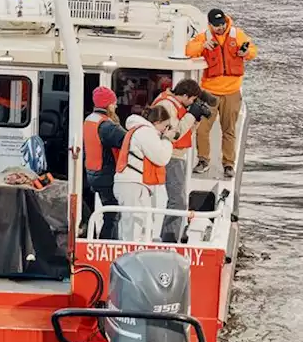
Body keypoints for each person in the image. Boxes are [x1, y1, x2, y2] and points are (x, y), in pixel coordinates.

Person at [185, 8, 257, 178]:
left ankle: (228, 164)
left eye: (222, 24)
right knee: (202, 129)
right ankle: (203, 160)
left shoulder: (237, 34)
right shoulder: (204, 37)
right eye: (216, 25)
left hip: (232, 91)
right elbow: (188, 50)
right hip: (210, 92)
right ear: (210, 25)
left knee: (229, 129)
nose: (220, 27)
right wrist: (202, 46)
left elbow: (253, 51)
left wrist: (246, 53)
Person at [150, 80, 214, 242]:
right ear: (185, 95)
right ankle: (169, 238)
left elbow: (186, 132)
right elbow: (174, 133)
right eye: (192, 100)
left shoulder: (174, 103)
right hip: (171, 155)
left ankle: (172, 235)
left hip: (177, 154)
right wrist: (191, 114)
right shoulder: (166, 104)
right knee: (177, 201)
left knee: (178, 200)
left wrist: (195, 119)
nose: (192, 103)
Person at [112, 105, 174, 243]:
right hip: (133, 184)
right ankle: (130, 254)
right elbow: (161, 157)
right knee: (134, 224)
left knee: (135, 223)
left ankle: (132, 252)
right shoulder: (145, 132)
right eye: (165, 126)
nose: (165, 130)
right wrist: (167, 140)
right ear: (157, 122)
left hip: (131, 183)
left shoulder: (138, 130)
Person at [83, 86, 126, 239]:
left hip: (93, 173)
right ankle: (106, 245)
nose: (116, 106)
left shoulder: (90, 120)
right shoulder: (107, 126)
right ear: (108, 105)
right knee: (112, 215)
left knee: (110, 212)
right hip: (106, 175)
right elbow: (128, 141)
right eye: (114, 103)